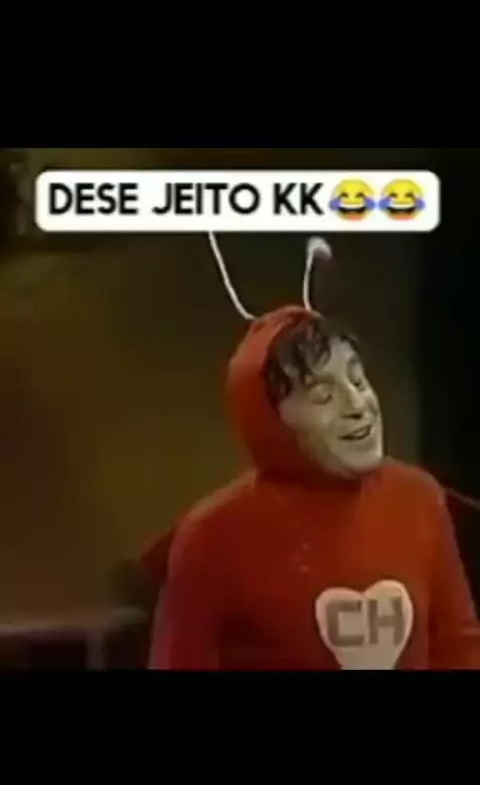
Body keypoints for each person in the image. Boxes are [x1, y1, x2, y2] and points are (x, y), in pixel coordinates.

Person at [148, 237, 480, 671]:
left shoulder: (420, 498)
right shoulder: (211, 536)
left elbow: (459, 647)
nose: (357, 404)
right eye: (324, 395)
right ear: (271, 420)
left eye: (358, 381)